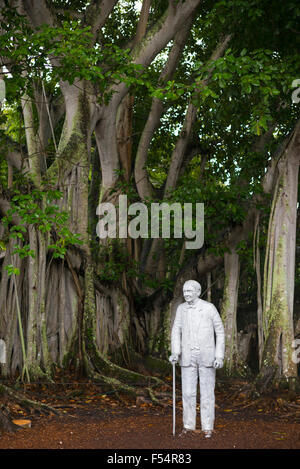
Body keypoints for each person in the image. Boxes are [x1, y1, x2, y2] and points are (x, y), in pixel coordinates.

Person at [169, 280, 225, 438]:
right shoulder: (181, 309)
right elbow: (176, 331)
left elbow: (220, 332)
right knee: (187, 393)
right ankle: (188, 425)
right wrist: (175, 352)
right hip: (187, 356)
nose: (186, 294)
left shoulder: (209, 308)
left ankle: (207, 426)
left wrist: (219, 356)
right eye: (185, 291)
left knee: (207, 393)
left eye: (189, 291)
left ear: (198, 292)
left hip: (207, 356)